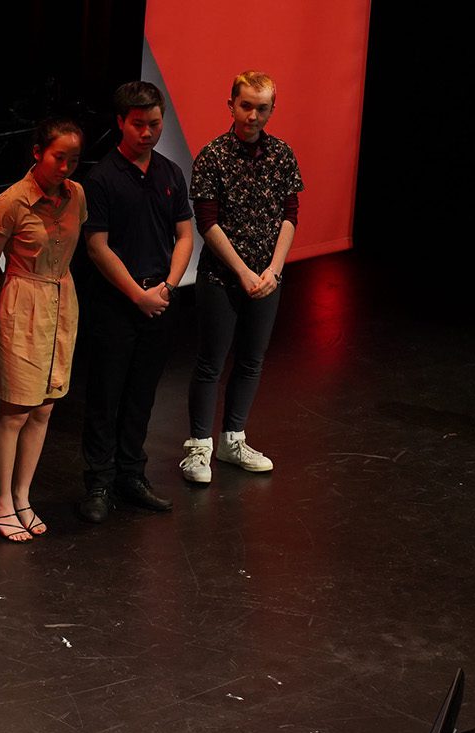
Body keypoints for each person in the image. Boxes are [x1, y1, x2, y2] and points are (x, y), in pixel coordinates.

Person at [76, 81, 194, 524]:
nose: (148, 132)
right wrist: (138, 294)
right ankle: (99, 482)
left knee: (143, 394)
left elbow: (184, 234)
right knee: (106, 395)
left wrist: (167, 286)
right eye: (139, 124)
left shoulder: (169, 173)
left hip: (160, 299)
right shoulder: (103, 178)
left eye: (155, 123)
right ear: (121, 123)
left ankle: (131, 475)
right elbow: (97, 247)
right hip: (116, 304)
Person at [181, 71, 303, 482]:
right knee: (211, 363)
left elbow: (290, 215)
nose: (253, 115)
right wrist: (244, 272)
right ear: (230, 104)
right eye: (246, 105)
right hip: (221, 278)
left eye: (262, 108)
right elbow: (208, 223)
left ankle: (232, 438)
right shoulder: (212, 156)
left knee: (251, 361)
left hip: (267, 279)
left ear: (272, 109)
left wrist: (273, 271)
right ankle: (199, 447)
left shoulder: (282, 155)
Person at [0, 118, 88, 542]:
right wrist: (4, 305)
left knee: (44, 408)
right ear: (38, 152)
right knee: (16, 409)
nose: (66, 168)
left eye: (74, 160)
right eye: (59, 157)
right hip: (21, 303)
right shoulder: (12, 202)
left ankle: (22, 496)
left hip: (62, 303)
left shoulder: (77, 195)